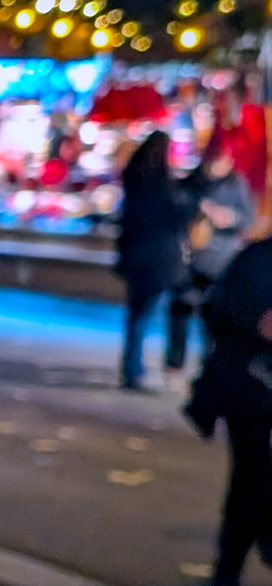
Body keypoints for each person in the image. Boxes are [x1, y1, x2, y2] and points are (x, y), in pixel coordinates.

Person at [185, 228, 272, 586]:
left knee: (253, 483)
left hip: (250, 387)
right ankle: (225, 581)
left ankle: (227, 579)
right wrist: (255, 324)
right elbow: (223, 312)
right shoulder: (259, 261)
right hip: (253, 389)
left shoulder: (256, 257)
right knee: (253, 482)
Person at [171, 139, 257, 363]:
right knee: (181, 308)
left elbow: (246, 218)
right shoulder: (193, 182)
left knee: (212, 314)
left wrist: (226, 216)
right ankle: (175, 360)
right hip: (189, 256)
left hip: (219, 258)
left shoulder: (236, 185)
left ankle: (209, 359)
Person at [116, 129, 189, 391]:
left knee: (137, 316)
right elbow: (178, 216)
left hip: (138, 257)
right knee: (154, 313)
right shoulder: (162, 185)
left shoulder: (134, 179)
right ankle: (140, 368)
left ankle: (132, 367)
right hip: (159, 260)